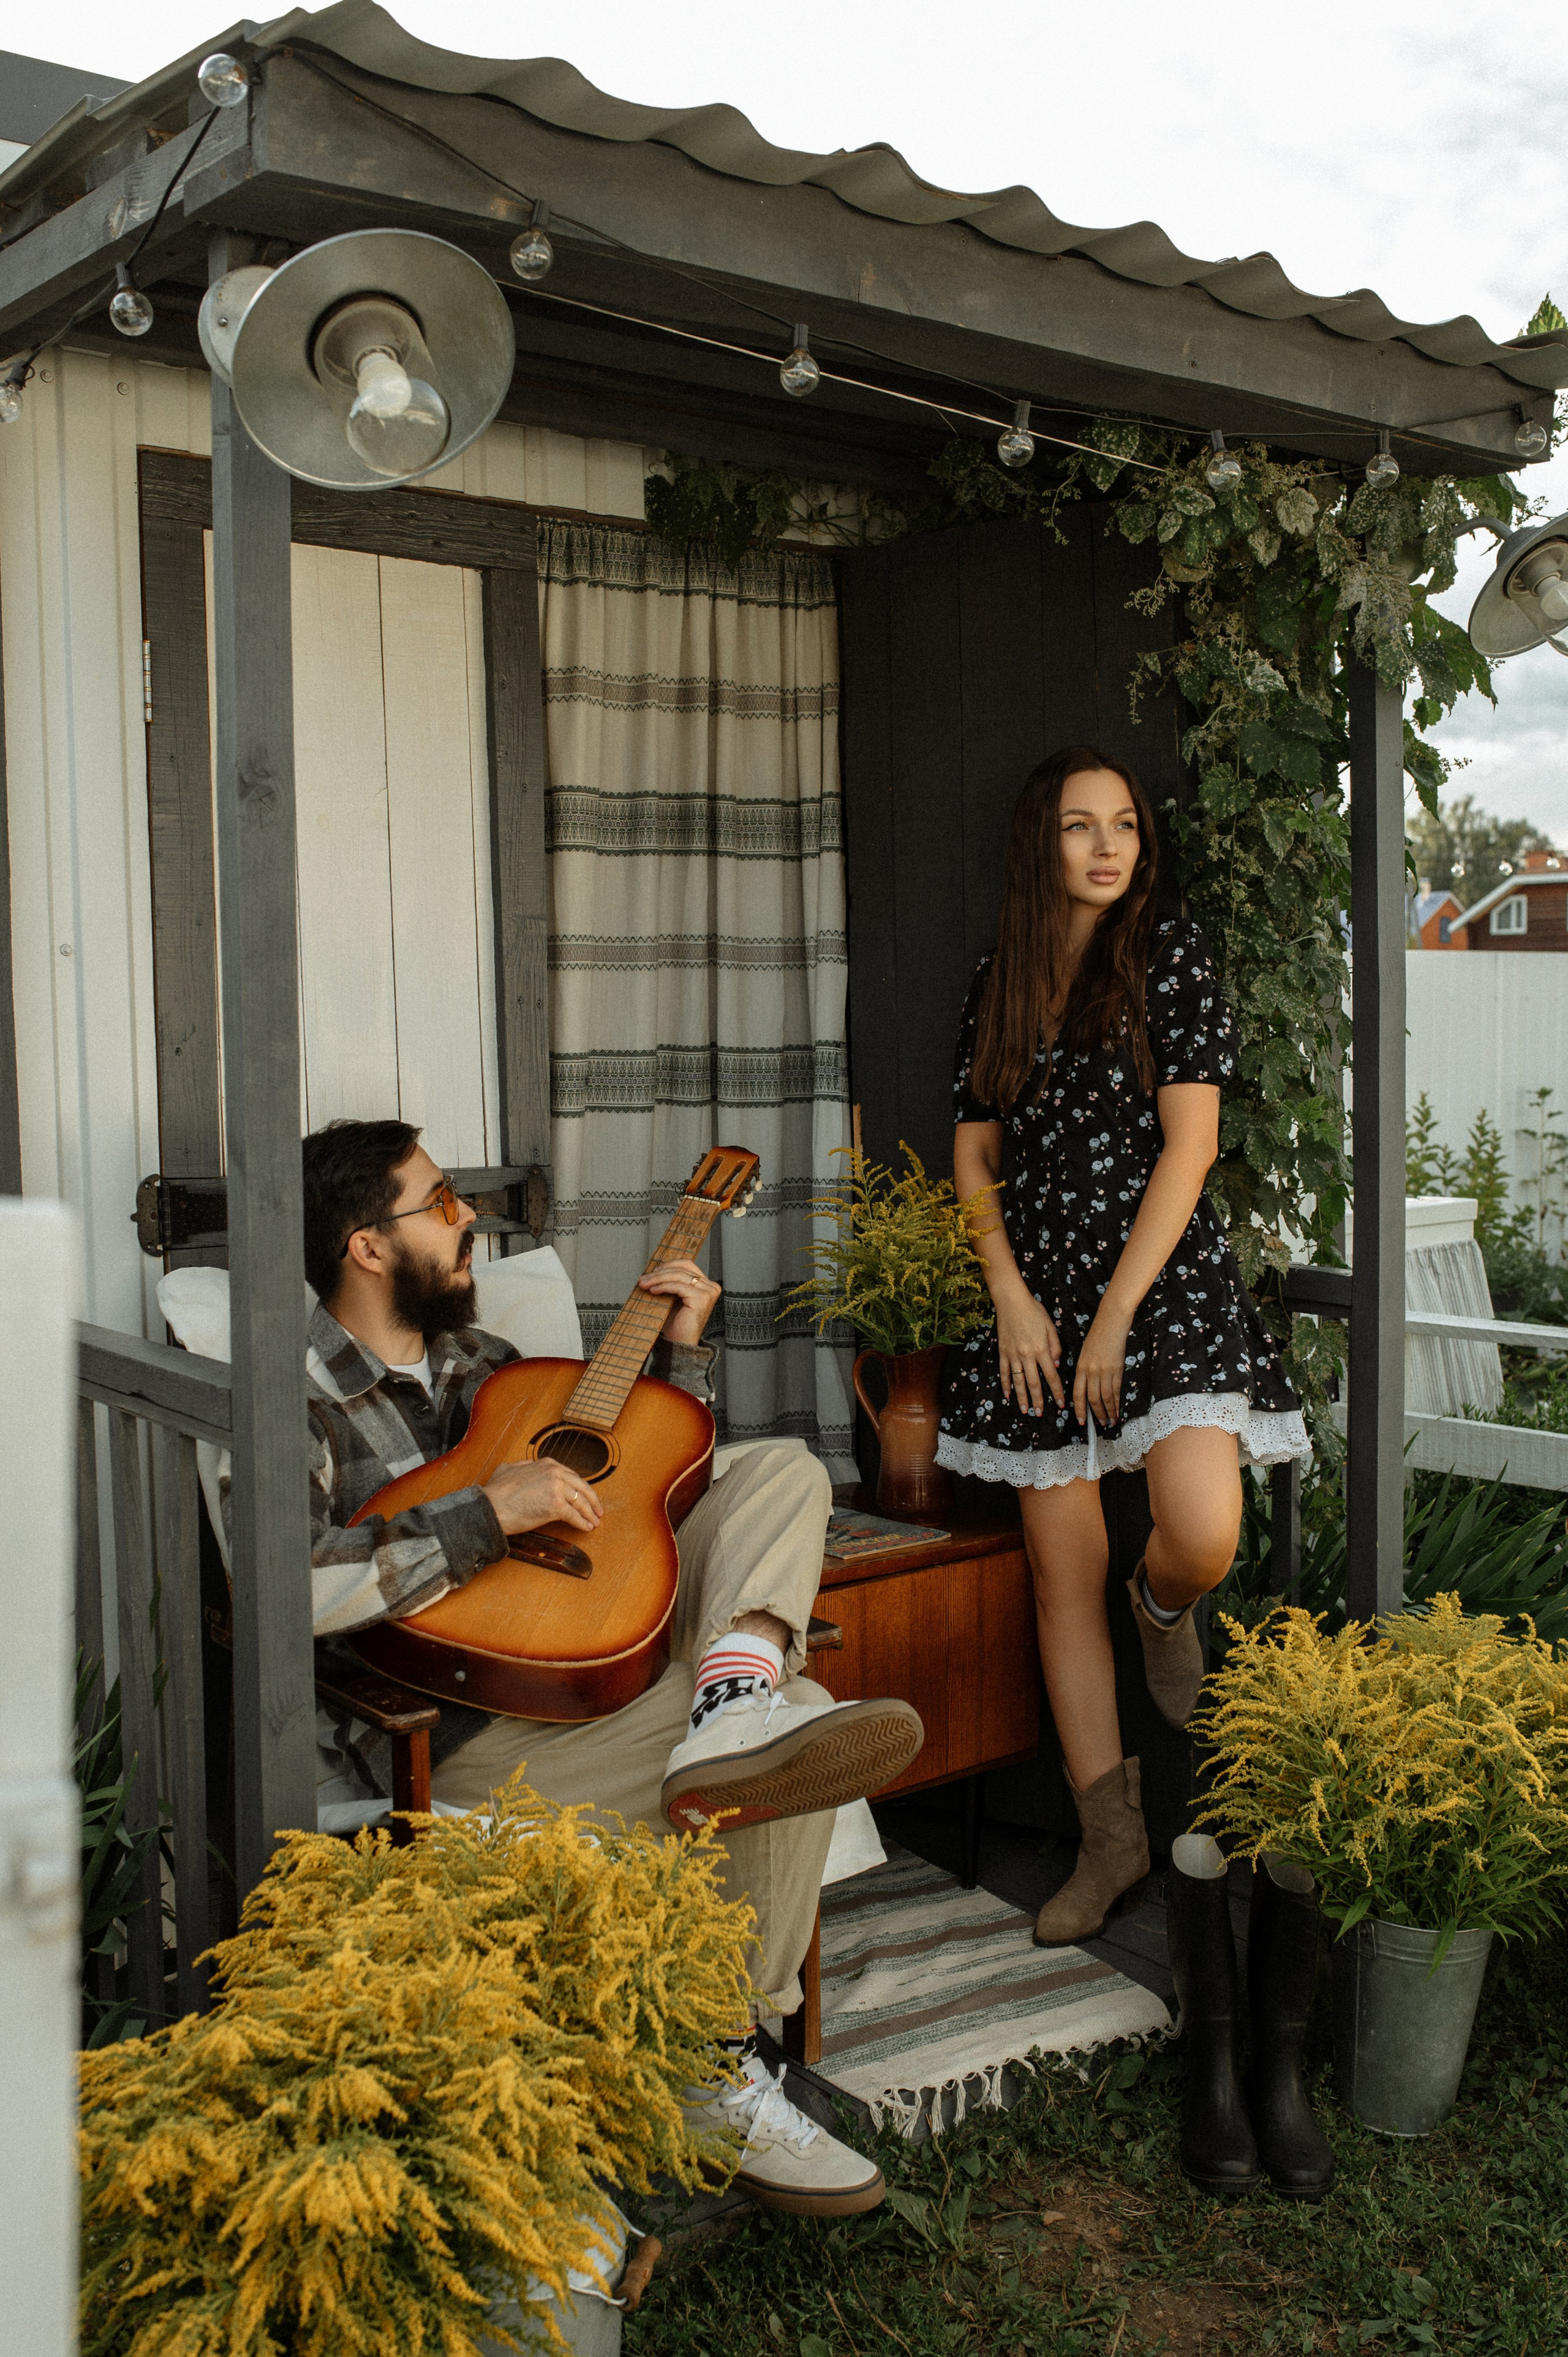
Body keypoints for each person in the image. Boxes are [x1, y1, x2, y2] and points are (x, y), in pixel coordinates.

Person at [298, 1117, 923, 2218]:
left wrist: (679, 1352)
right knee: (810, 1709)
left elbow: (640, 1494)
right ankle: (713, 2060)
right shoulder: (294, 1398)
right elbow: (289, 1585)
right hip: (458, 1744)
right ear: (364, 1245)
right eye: (442, 1204)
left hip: (595, 1689)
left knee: (780, 1470)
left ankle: (732, 1697)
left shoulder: (492, 1368)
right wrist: (486, 1513)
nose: (470, 1220)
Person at [935, 747, 1310, 1946]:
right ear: (1037, 844)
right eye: (1078, 826)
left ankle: (1162, 1610)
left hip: (1159, 1279)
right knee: (1058, 1569)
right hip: (1035, 1295)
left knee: (1199, 1528)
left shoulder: (1169, 959)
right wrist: (1007, 1293)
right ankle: (1110, 1841)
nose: (1105, 847)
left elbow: (1188, 1148)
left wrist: (1110, 1319)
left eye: (1125, 827)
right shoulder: (1000, 977)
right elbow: (971, 1151)